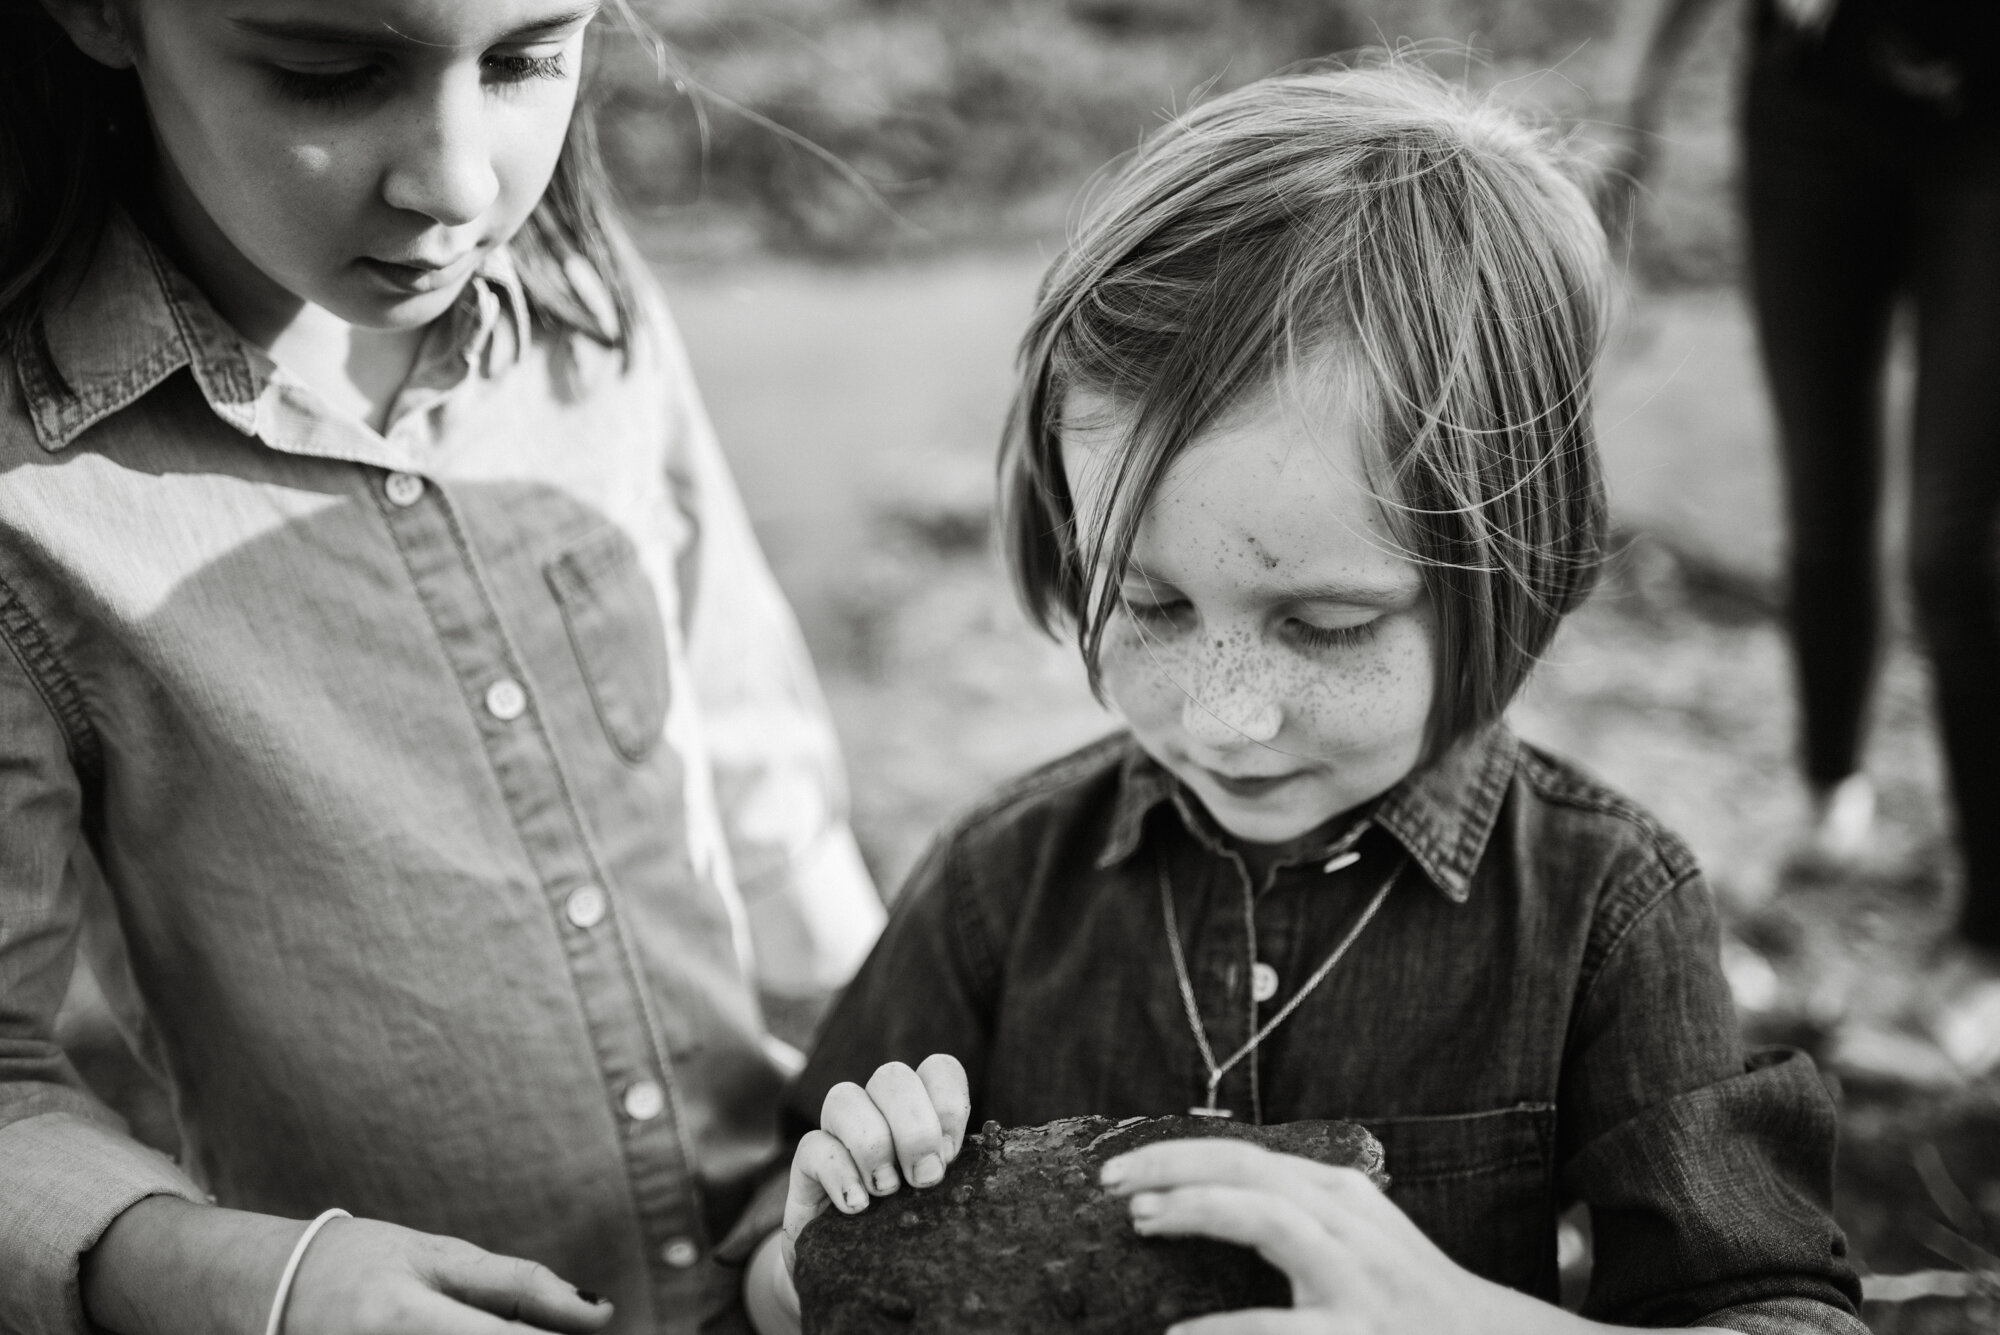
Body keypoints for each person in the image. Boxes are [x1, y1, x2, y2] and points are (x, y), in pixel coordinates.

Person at [740, 62, 1868, 1334]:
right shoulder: (998, 889)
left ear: (1513, 564)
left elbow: (1782, 1311)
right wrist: (820, 1241)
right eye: (1151, 605)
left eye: (1324, 627)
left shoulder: (1603, 916)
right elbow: (767, 1275)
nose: (1225, 716)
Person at [0, 1, 886, 1332]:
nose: (461, 182)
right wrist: (254, 1280)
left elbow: (763, 790)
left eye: (528, 57)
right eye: (332, 72)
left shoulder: (590, 300)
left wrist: (894, 1083)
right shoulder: (31, 501)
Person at [1610, 0, 2000, 1070]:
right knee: (1820, 503)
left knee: (1955, 556)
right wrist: (1628, 89)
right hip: (1812, 101)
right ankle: (1828, 799)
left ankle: (1986, 941)